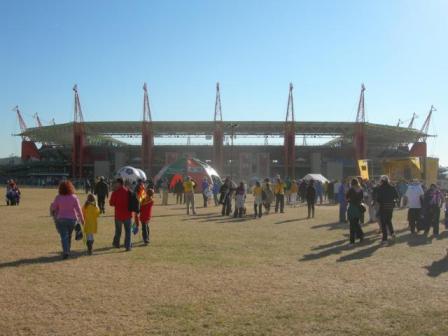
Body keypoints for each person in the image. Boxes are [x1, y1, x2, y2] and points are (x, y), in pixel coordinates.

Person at [50, 180, 84, 259]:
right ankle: (67, 250)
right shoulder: (74, 197)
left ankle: (66, 251)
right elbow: (79, 209)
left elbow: (54, 208)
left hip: (61, 219)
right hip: (72, 220)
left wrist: (52, 210)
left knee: (64, 236)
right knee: (69, 235)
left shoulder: (58, 197)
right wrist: (82, 220)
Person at [109, 177, 133, 251]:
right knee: (128, 231)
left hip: (118, 215)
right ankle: (128, 246)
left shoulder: (115, 192)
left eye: (116, 183)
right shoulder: (129, 191)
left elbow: (111, 203)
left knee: (118, 231)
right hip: (128, 215)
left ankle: (116, 243)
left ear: (119, 183)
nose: (115, 184)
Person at [376, 175, 399, 244]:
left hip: (383, 207)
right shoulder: (392, 187)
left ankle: (385, 239)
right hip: (390, 207)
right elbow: (397, 196)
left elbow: (378, 199)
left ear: (381, 181)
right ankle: (392, 233)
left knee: (383, 223)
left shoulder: (380, 188)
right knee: (388, 221)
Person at [346, 178, 365, 245]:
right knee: (356, 224)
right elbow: (362, 198)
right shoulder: (361, 189)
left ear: (351, 183)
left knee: (352, 225)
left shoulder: (351, 190)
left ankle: (352, 241)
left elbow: (347, 197)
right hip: (358, 208)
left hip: (352, 208)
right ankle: (361, 236)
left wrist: (349, 200)